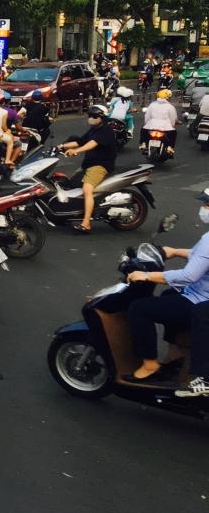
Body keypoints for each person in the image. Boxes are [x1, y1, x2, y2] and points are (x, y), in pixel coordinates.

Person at [123, 188, 209, 396]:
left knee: (140, 308)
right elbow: (201, 257)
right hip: (201, 295)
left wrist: (147, 276)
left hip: (201, 300)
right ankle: (177, 354)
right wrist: (175, 251)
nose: (203, 208)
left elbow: (189, 276)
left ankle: (150, 364)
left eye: (207, 204)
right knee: (168, 296)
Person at [59, 104, 118, 234]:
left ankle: (86, 223)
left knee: (87, 189)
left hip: (100, 165)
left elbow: (92, 144)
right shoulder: (93, 130)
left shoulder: (106, 130)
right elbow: (80, 141)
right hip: (88, 165)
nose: (91, 118)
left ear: (102, 118)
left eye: (94, 116)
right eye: (90, 115)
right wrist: (61, 146)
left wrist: (76, 151)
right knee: (69, 184)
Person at [141, 89, 179, 154]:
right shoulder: (170, 107)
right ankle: (169, 147)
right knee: (173, 133)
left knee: (143, 131)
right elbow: (173, 118)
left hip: (151, 125)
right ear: (168, 98)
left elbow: (147, 116)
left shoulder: (152, 105)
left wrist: (146, 124)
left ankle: (143, 144)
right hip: (165, 127)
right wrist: (172, 125)